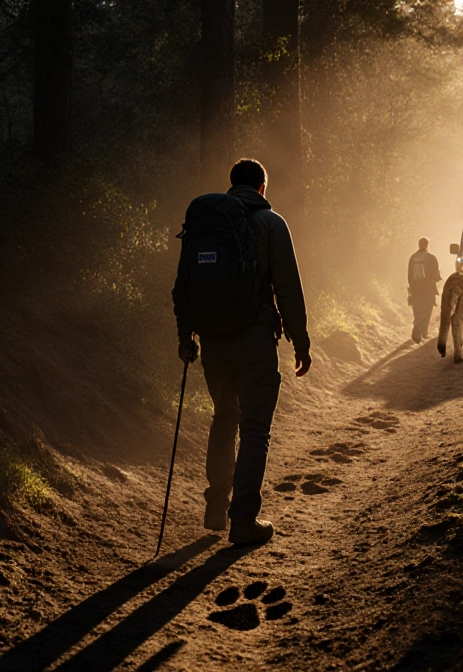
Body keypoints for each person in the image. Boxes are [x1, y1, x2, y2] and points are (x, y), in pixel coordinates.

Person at [174, 158, 312, 546]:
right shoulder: (271, 224)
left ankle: (216, 506)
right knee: (254, 429)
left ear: (232, 185)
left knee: (224, 419)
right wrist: (300, 342)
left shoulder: (207, 225)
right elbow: (288, 288)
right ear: (263, 189)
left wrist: (186, 338)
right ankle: (243, 520)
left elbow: (183, 286)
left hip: (214, 342)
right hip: (254, 341)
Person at [407, 237, 442, 343]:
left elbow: (409, 276)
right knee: (427, 309)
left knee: (417, 309)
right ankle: (419, 329)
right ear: (427, 245)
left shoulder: (412, 258)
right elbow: (436, 276)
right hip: (427, 289)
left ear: (418, 245)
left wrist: (412, 287)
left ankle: (422, 331)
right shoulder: (431, 258)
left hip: (415, 289)